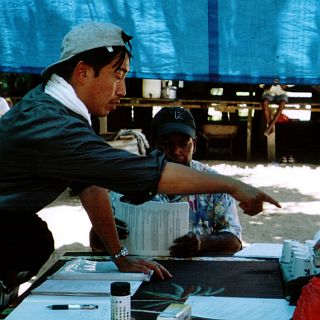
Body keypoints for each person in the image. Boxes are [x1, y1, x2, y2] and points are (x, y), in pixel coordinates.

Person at [0, 21, 280, 302]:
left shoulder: (65, 112)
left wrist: (120, 256)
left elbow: (91, 185)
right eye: (117, 75)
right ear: (83, 72)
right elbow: (145, 174)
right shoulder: (52, 124)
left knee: (31, 238)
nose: (122, 90)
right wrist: (233, 185)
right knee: (29, 239)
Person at [150, 107, 242, 256]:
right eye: (167, 143)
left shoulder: (214, 184)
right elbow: (101, 237)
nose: (176, 151)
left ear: (195, 145)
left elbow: (234, 240)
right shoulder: (131, 179)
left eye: (184, 143)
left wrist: (203, 243)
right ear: (152, 142)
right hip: (143, 269)